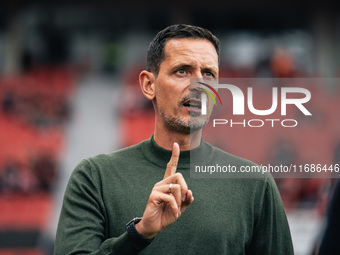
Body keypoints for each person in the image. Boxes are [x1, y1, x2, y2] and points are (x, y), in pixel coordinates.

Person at [54, 24, 294, 255]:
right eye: (182, 71)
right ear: (149, 85)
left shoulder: (255, 184)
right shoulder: (95, 177)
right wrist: (139, 235)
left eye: (209, 73)